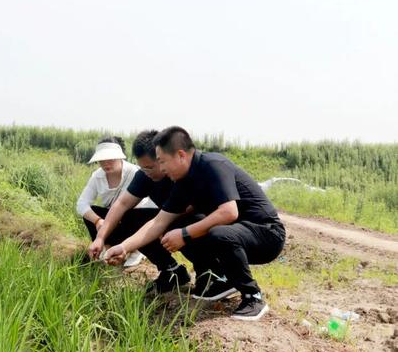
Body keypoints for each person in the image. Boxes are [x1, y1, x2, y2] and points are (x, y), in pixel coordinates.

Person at [104, 126, 286, 321]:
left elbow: (229, 212)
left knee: (216, 233)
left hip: (267, 234)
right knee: (196, 227)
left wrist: (184, 234)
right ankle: (224, 281)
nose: (162, 169)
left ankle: (253, 296)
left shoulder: (213, 164)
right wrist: (124, 247)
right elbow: (158, 222)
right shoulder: (183, 183)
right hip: (237, 235)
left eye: (163, 162)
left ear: (181, 155)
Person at [86, 130, 190, 293]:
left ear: (162, 158)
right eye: (143, 168)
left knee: (186, 223)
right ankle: (171, 270)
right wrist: (100, 238)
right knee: (129, 217)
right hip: (166, 219)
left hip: (194, 222)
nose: (146, 171)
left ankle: (211, 272)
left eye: (150, 167)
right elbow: (121, 203)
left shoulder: (183, 174)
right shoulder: (144, 176)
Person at [76, 136, 153, 267]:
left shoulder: (134, 172)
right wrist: (97, 221)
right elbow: (81, 204)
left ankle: (136, 250)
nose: (106, 163)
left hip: (134, 221)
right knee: (92, 213)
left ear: (120, 157)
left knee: (132, 216)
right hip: (112, 222)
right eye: (102, 160)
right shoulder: (97, 176)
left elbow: (149, 203)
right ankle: (106, 247)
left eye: (110, 159)